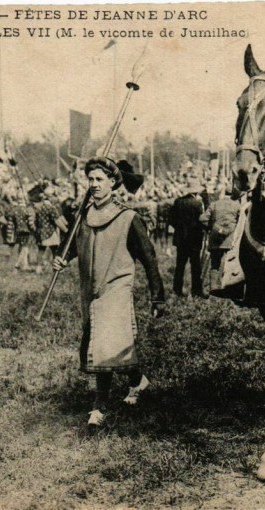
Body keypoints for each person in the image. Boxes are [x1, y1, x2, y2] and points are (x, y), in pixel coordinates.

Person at [53, 158, 165, 428]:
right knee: (109, 342)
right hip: (90, 289)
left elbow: (149, 258)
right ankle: (137, 380)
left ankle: (98, 407)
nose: (94, 185)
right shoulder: (84, 215)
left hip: (117, 287)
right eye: (90, 179)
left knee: (104, 344)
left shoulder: (128, 217)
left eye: (99, 179)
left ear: (113, 183)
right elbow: (73, 244)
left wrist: (157, 295)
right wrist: (62, 258)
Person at [169, 178, 206, 298]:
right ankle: (197, 290)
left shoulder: (177, 202)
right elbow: (201, 221)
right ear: (196, 192)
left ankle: (177, 290)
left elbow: (171, 220)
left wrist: (180, 229)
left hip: (181, 239)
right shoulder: (197, 203)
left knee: (180, 265)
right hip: (194, 239)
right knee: (196, 266)